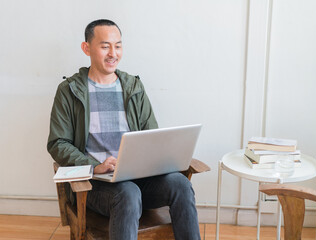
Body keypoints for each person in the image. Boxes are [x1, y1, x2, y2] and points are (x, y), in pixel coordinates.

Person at [47, 19, 201, 240]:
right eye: (105, 46)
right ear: (86, 48)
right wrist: (95, 166)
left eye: (118, 46)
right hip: (96, 185)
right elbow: (57, 143)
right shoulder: (69, 91)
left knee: (181, 184)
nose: (113, 53)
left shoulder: (134, 87)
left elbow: (152, 136)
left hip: (139, 179)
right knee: (128, 193)